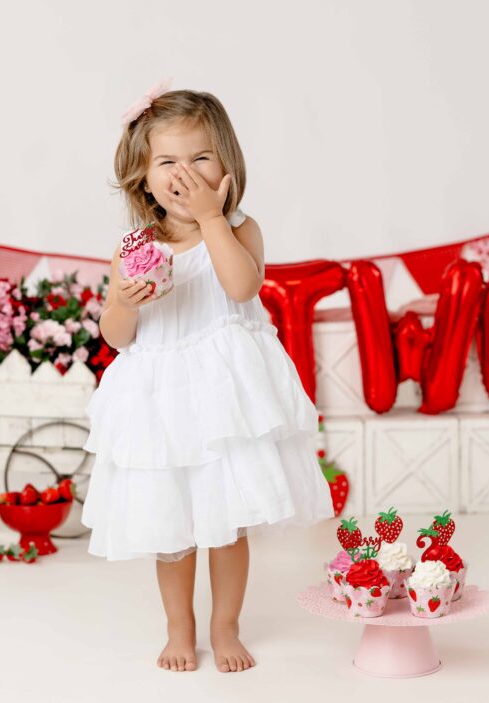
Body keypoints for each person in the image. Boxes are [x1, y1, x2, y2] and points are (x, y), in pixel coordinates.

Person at [80, 78, 334, 673]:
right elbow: (116, 336)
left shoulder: (240, 227)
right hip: (160, 401)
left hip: (223, 399)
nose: (183, 172)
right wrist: (125, 300)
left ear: (226, 165)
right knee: (172, 528)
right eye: (167, 161)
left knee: (225, 523)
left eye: (199, 158)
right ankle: (179, 627)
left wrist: (210, 217)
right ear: (143, 177)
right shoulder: (136, 246)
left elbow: (242, 286)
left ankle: (225, 627)